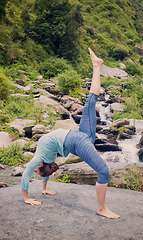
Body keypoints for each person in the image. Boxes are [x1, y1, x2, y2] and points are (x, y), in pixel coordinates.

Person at [21, 48, 120, 219]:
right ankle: (102, 208)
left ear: (39, 166)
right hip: (76, 139)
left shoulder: (40, 158)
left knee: (90, 101)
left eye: (39, 171)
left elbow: (27, 174)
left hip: (78, 138)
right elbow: (43, 172)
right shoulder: (46, 158)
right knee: (103, 171)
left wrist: (28, 197)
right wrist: (41, 189)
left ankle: (97, 66)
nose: (37, 168)